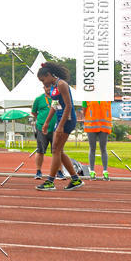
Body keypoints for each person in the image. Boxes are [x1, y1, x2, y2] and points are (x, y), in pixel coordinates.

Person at [35, 62, 83, 191]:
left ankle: (50, 181)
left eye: (43, 80)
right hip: (60, 118)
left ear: (49, 75)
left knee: (56, 150)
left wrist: (61, 125)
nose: (43, 83)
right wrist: (47, 122)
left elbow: (68, 105)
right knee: (58, 151)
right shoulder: (54, 86)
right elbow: (55, 104)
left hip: (67, 119)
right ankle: (75, 179)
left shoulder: (62, 84)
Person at [30, 82, 59, 180]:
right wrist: (41, 120)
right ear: (44, 88)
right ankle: (38, 171)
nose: (48, 89)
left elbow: (60, 110)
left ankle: (59, 171)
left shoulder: (56, 99)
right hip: (41, 128)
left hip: (55, 128)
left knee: (57, 151)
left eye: (50, 87)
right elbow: (33, 112)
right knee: (40, 150)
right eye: (47, 87)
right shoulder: (38, 99)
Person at [83, 101, 112, 180]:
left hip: (104, 126)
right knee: (92, 148)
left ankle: (105, 171)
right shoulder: (87, 97)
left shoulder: (107, 97)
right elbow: (84, 110)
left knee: (103, 148)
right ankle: (92, 171)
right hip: (91, 126)